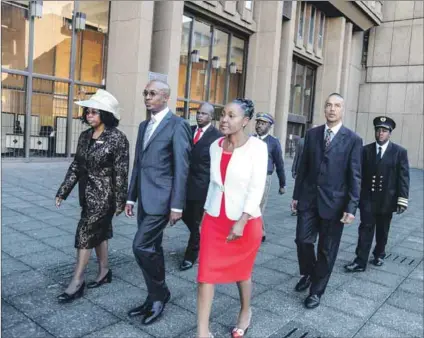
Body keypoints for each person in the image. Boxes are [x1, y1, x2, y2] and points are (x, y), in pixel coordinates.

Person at [196, 99, 268, 338]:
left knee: (242, 273)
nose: (224, 119)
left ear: (245, 121)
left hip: (244, 221)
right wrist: (205, 215)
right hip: (215, 218)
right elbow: (214, 185)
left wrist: (243, 220)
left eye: (232, 116)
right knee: (205, 274)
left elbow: (256, 188)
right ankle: (202, 332)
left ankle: (245, 311)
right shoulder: (215, 146)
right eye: (223, 114)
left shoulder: (257, 147)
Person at [125, 80, 191, 325]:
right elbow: (138, 165)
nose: (147, 97)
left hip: (163, 201)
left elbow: (182, 168)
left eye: (152, 93)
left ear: (165, 97)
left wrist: (177, 206)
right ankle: (153, 296)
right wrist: (131, 197)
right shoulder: (144, 126)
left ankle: (161, 293)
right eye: (145, 93)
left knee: (140, 247)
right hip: (144, 199)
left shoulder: (178, 125)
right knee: (153, 248)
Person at [55, 89, 129, 303]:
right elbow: (77, 165)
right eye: (88, 112)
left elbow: (122, 171)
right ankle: (104, 271)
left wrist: (120, 201)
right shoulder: (85, 136)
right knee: (101, 231)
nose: (89, 115)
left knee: (85, 233)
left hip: (105, 196)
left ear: (105, 115)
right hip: (87, 194)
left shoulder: (117, 138)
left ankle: (77, 281)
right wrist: (63, 191)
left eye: (94, 112)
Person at [291, 93, 362, 309]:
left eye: (337, 106)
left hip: (335, 204)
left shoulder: (353, 139)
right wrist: (296, 196)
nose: (332, 109)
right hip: (309, 199)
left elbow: (355, 175)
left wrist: (351, 207)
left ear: (342, 110)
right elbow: (303, 168)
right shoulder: (312, 135)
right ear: (324, 108)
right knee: (302, 240)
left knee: (326, 249)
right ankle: (310, 272)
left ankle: (316, 291)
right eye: (329, 105)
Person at [345, 116, 409, 272]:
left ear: (390, 133)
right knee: (365, 228)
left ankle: (379, 254)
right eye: (378, 130)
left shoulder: (399, 152)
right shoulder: (365, 150)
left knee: (383, 229)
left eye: (384, 131)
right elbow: (358, 174)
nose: (381, 133)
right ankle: (360, 261)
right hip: (368, 198)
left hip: (387, 199)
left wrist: (402, 200)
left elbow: (404, 177)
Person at [180, 103, 222, 271]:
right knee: (183, 215)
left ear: (211, 117)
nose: (199, 116)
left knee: (197, 220)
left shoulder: (217, 137)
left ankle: (190, 255)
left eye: (204, 114)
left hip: (202, 186)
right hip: (184, 184)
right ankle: (203, 236)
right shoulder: (189, 131)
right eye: (198, 113)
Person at [254, 112, 286, 242]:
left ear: (269, 126)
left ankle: (259, 232)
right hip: (248, 177)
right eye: (258, 123)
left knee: (259, 206)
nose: (259, 125)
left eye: (263, 123)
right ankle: (259, 231)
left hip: (264, 178)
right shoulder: (250, 139)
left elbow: (279, 164)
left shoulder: (274, 142)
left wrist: (282, 184)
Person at [291, 125, 318, 216]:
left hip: (311, 171)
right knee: (298, 189)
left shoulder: (318, 142)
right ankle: (295, 207)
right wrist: (293, 169)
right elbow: (297, 156)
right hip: (300, 170)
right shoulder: (302, 141)